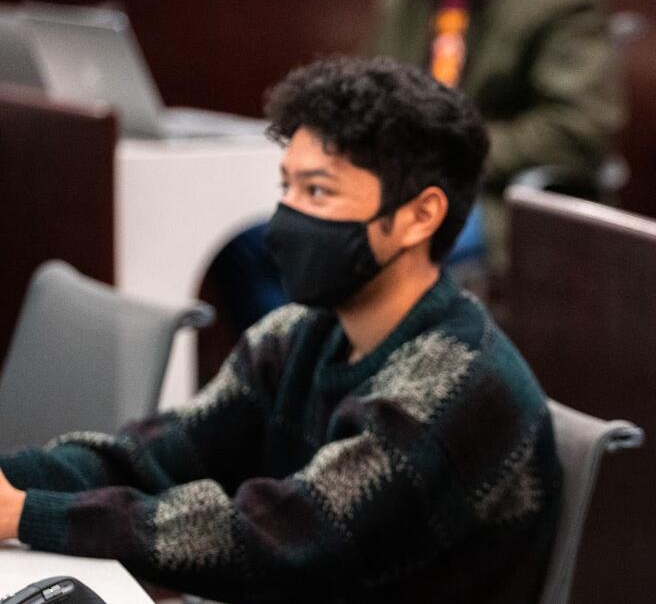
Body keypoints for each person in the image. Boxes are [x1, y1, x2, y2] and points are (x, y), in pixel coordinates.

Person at [0, 57, 561, 603]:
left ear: (420, 215)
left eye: (317, 192)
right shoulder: (301, 333)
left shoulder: (457, 382)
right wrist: (12, 478)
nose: (285, 218)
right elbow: (155, 455)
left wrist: (31, 514)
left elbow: (288, 538)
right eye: (286, 187)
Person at [373, 0, 623, 272]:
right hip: (395, 186)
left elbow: (576, 130)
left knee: (373, 249)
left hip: (494, 197)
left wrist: (450, 155)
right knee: (286, 240)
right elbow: (374, 92)